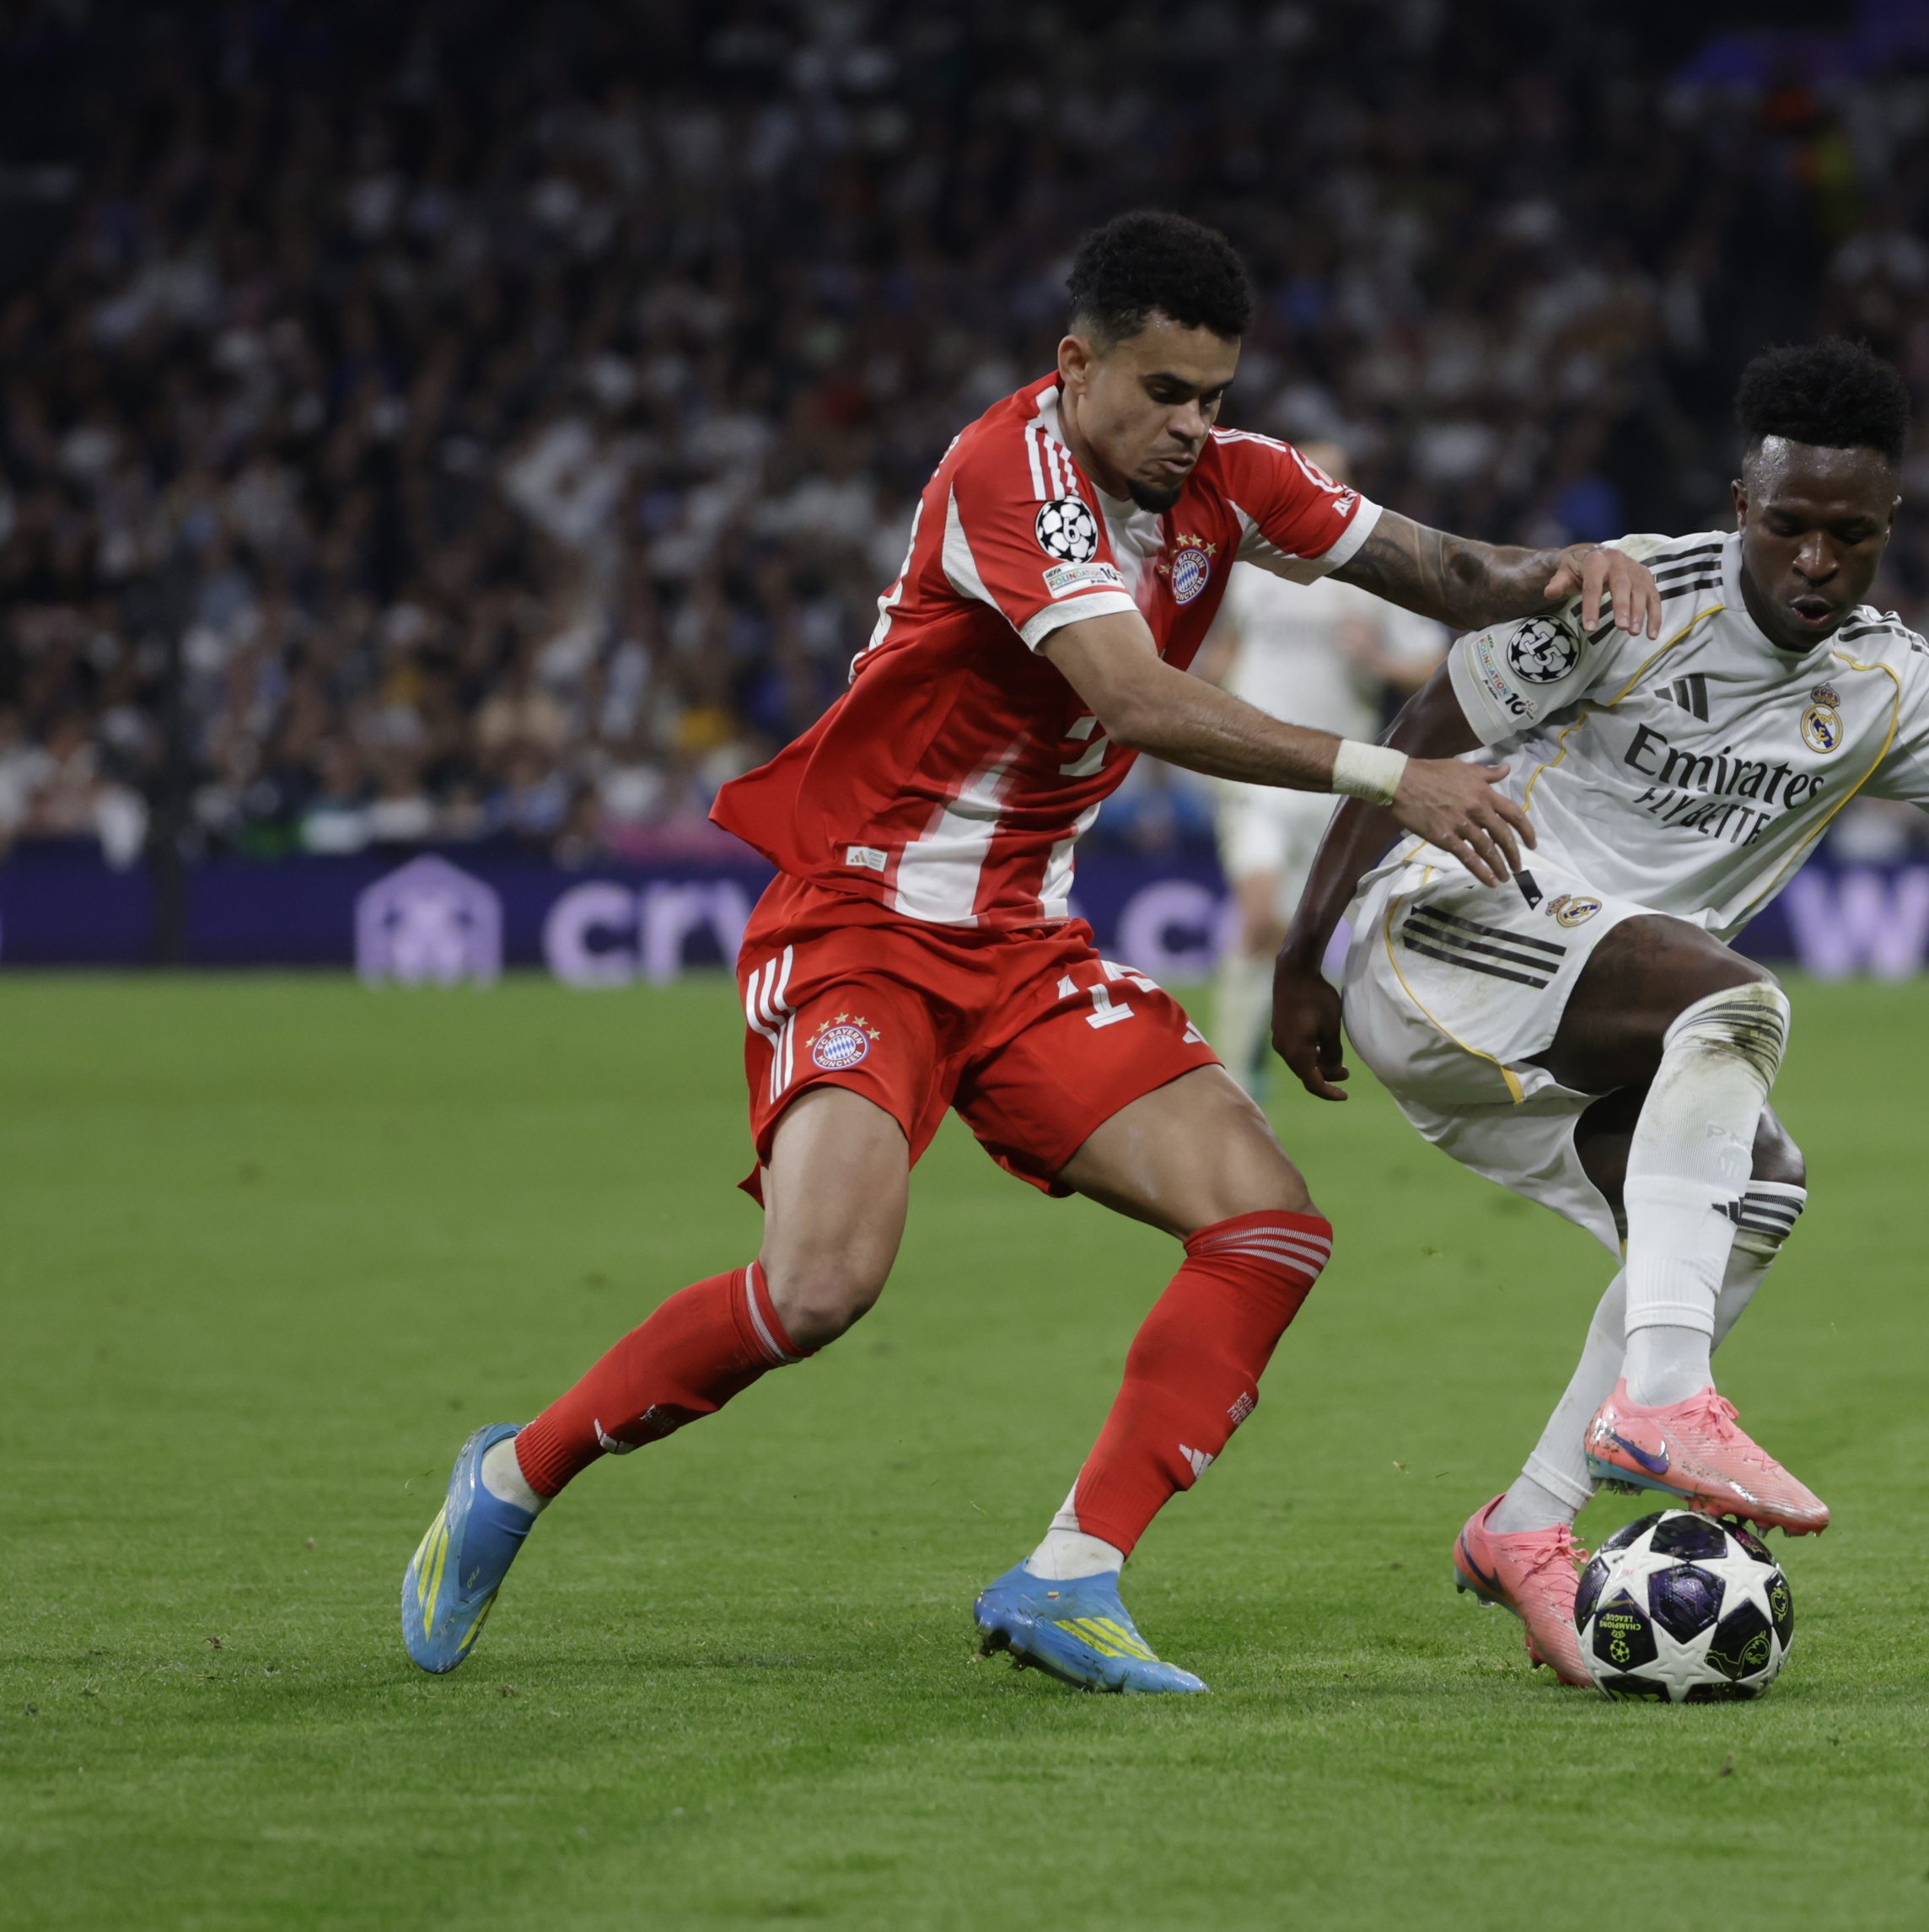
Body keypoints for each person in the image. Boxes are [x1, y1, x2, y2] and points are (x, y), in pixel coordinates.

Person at [400, 211, 1660, 1693]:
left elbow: (1432, 568)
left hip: (1021, 946)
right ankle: (511, 1476)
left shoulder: (1234, 480)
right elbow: (1130, 696)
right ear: (1077, 366)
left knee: (1268, 1224)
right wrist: (1397, 779)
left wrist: (1565, 570)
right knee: (818, 1289)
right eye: (1164, 392)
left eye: (1215, 395)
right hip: (862, 919)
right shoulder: (1011, 471)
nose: (1196, 426)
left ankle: (1071, 1572)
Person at [1267, 341, 1929, 1685]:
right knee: (1734, 1001)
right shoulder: (1625, 595)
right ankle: (1662, 1403)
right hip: (1446, 932)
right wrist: (1306, 950)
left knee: (1759, 1191)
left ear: (1891, 529)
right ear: (1741, 503)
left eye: (1851, 533)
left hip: (1572, 1017)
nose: (1817, 559)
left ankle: (1529, 1523)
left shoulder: (1891, 687)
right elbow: (1429, 717)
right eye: (1790, 524)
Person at [1195, 448, 1448, 1094]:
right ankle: (1229, 1077)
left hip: (1338, 777)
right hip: (1253, 769)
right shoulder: (1250, 567)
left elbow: (1432, 664)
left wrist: (1378, 660)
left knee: (1294, 934)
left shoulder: (1370, 576)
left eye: (1333, 477)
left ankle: (1259, 1044)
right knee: (1257, 915)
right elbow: (1223, 650)